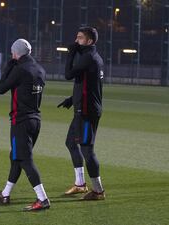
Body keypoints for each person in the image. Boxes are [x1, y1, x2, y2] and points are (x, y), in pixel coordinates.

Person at [0, 39, 50, 211]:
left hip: (21, 121)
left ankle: (43, 198)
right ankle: (5, 193)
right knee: (15, 157)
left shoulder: (20, 69)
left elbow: (1, 88)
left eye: (12, 53)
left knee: (24, 159)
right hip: (35, 121)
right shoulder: (40, 69)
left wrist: (9, 66)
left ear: (16, 53)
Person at [57, 26, 105, 200]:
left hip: (87, 112)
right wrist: (72, 99)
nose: (76, 41)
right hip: (82, 109)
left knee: (87, 150)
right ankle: (80, 184)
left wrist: (70, 53)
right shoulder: (91, 57)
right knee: (71, 142)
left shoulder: (89, 58)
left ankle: (98, 191)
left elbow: (68, 74)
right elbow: (88, 85)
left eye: (80, 38)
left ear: (90, 41)